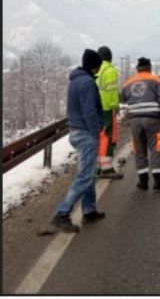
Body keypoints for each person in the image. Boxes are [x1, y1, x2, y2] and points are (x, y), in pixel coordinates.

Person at [52, 49, 106, 233]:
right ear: (95, 65)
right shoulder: (87, 83)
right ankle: (62, 213)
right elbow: (89, 111)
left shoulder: (76, 80)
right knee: (85, 176)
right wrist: (97, 129)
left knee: (88, 172)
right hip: (85, 133)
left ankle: (89, 210)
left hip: (76, 131)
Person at [121, 58, 160, 192]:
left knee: (139, 150)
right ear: (149, 68)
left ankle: (143, 182)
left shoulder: (128, 83)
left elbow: (123, 100)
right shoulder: (156, 80)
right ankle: (158, 182)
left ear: (137, 69)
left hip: (134, 120)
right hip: (152, 119)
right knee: (156, 148)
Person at [95, 46, 124, 179]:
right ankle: (106, 169)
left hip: (96, 109)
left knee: (100, 137)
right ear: (110, 57)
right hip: (107, 109)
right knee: (108, 137)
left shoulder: (96, 69)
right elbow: (112, 91)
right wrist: (115, 105)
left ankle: (99, 166)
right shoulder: (109, 70)